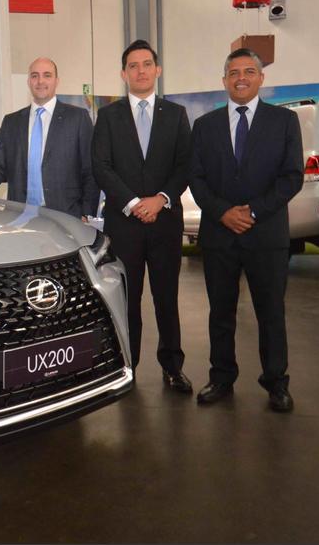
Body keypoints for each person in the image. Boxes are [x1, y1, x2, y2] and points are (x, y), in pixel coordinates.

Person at [189, 48, 304, 412]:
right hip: (219, 235)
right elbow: (196, 177)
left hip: (266, 235)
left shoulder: (284, 122)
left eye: (249, 71)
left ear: (261, 78)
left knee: (270, 311)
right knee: (220, 313)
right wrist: (224, 213)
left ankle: (276, 382)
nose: (241, 77)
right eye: (234, 72)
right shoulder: (204, 126)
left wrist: (252, 211)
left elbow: (292, 177)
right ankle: (221, 377)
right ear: (224, 80)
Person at [91, 40, 193, 392]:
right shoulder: (108, 116)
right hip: (125, 225)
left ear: (157, 70)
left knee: (167, 298)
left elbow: (185, 165)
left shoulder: (176, 114)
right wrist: (134, 202)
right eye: (133, 65)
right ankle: (127, 368)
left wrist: (160, 199)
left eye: (147, 64)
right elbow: (101, 167)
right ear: (123, 74)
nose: (140, 70)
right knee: (127, 299)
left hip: (165, 222)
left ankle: (172, 367)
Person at [0, 57, 99, 220]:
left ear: (56, 80)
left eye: (47, 75)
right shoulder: (12, 122)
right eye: (34, 76)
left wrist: (86, 212)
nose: (40, 81)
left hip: (66, 215)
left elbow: (90, 169)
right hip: (19, 216)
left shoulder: (77, 118)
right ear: (28, 81)